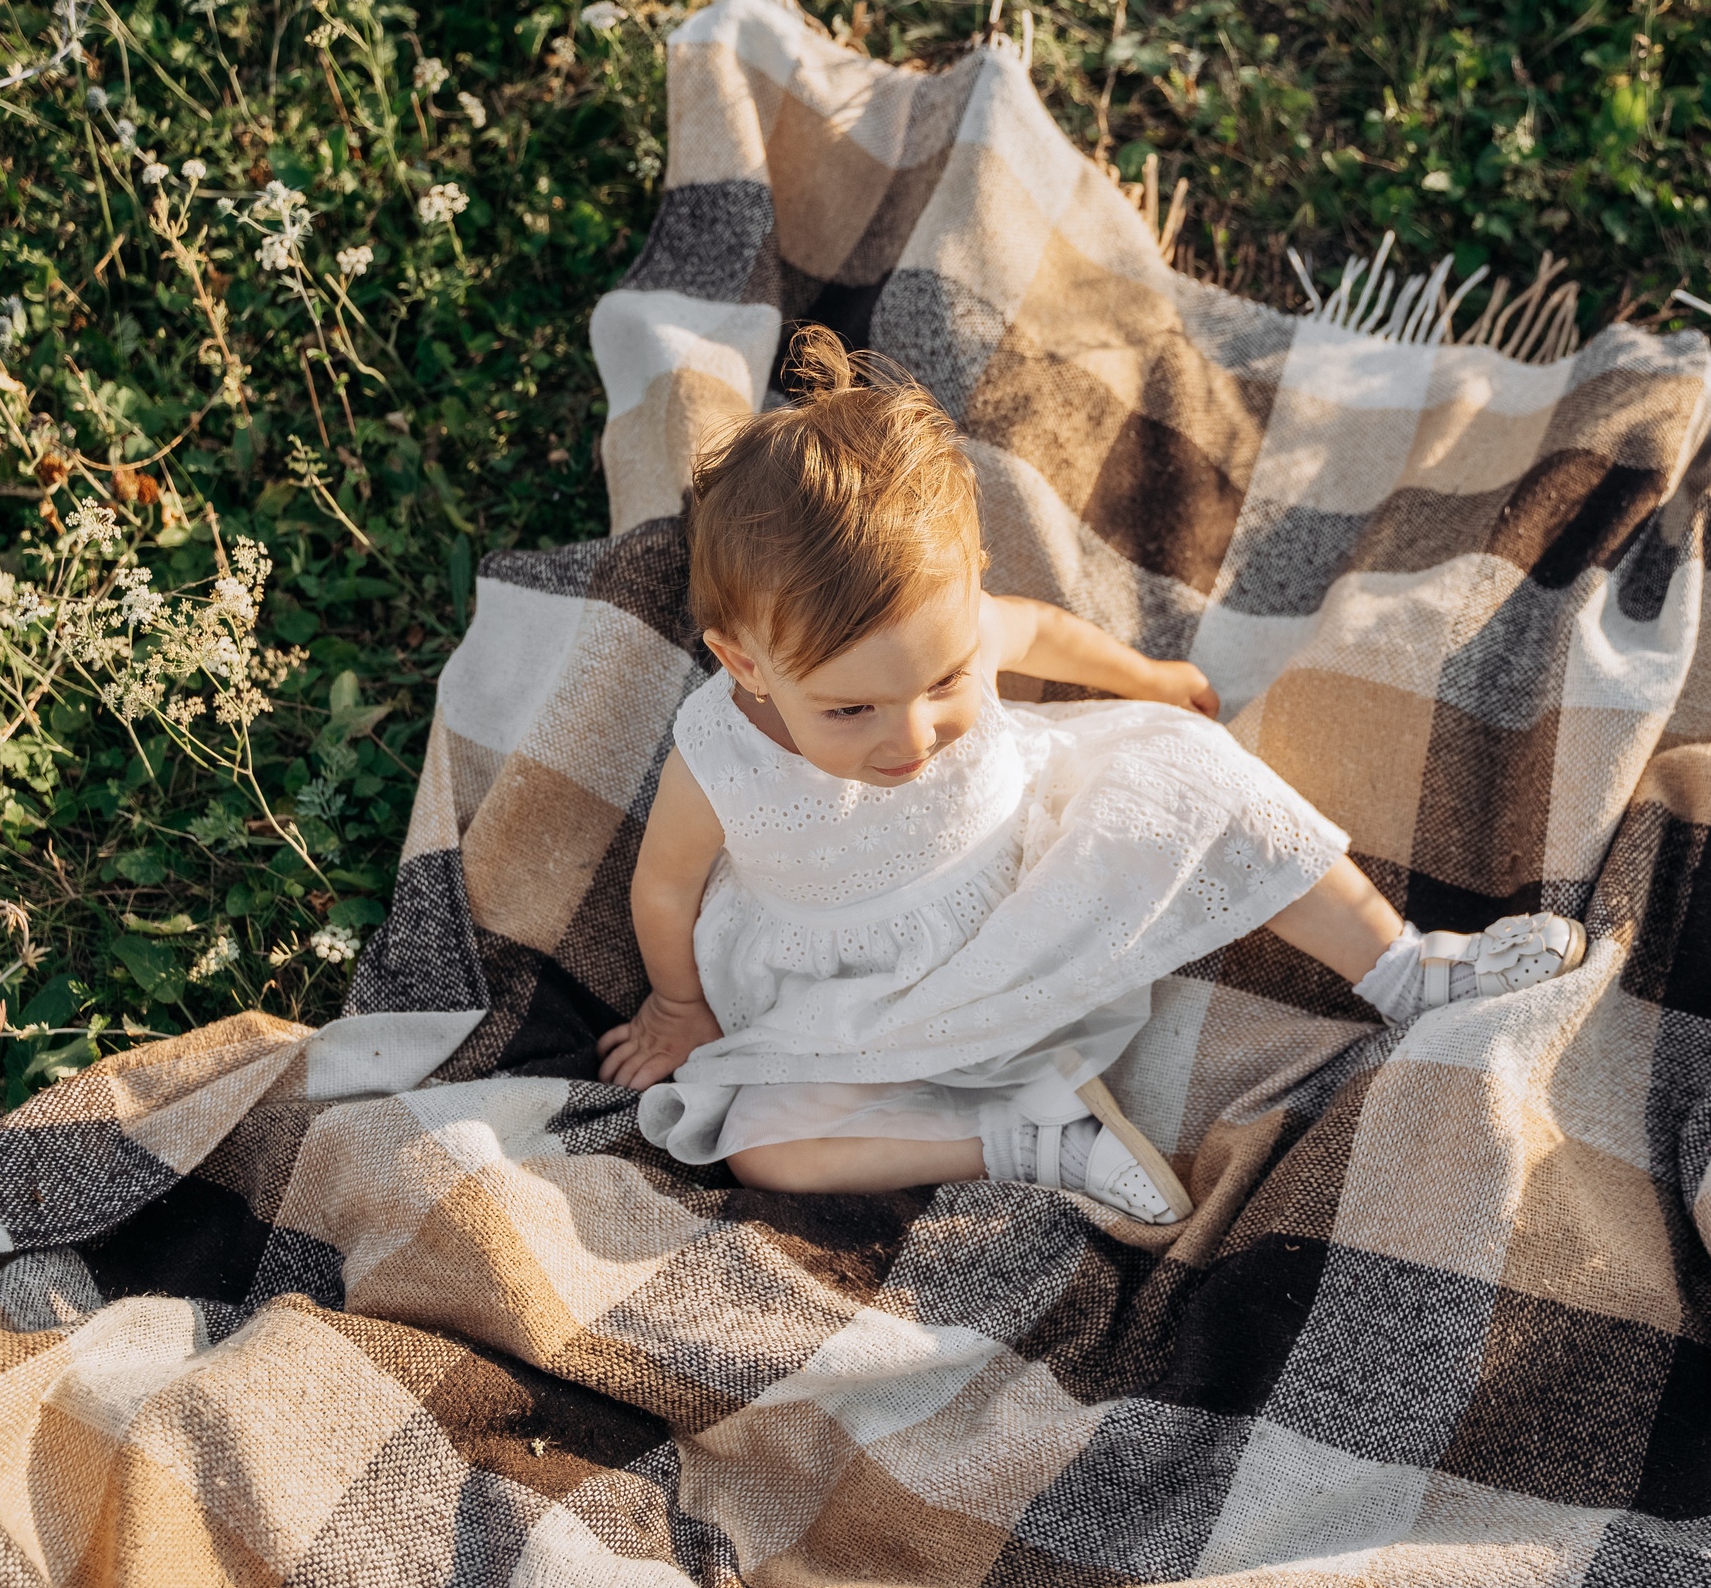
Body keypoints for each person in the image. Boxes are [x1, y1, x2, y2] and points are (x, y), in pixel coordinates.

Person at [603, 326, 1584, 1224]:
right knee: (760, 1144)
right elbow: (665, 889)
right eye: (850, 711)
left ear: (972, 583)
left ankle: (1405, 966)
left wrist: (1147, 678)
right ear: (745, 664)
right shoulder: (720, 755)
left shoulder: (961, 622)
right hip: (862, 997)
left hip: (1031, 880)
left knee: (1199, 774)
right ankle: (1025, 1139)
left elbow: (1042, 634)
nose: (913, 736)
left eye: (944, 681)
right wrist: (680, 1007)